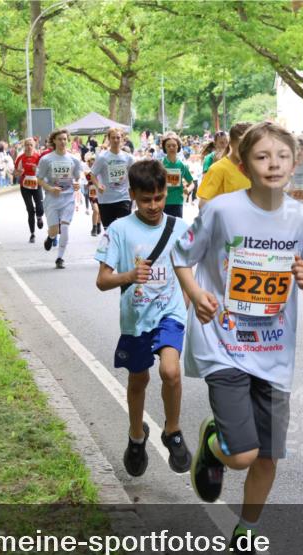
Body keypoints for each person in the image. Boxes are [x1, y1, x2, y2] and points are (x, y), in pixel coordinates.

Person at [174, 122, 303, 555]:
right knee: (242, 456)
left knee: (266, 459)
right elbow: (182, 256)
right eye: (262, 157)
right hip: (222, 341)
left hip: (274, 351)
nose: (273, 165)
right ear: (244, 164)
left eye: (282, 157)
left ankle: (245, 533)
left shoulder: (302, 219)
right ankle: (213, 445)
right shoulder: (223, 211)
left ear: (295, 162)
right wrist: (196, 295)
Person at [95, 159, 192, 477]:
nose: (154, 205)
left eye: (160, 197)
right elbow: (103, 281)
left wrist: (186, 303)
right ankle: (136, 437)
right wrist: (129, 275)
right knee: (139, 379)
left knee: (170, 371)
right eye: (146, 199)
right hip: (136, 318)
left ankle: (172, 430)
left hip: (170, 312)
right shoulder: (119, 230)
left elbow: (188, 271)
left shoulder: (179, 228)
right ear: (132, 194)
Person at [36, 128, 83, 268]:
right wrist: (50, 188)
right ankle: (50, 237)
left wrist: (76, 183)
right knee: (54, 229)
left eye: (65, 139)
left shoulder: (74, 159)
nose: (63, 141)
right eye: (60, 139)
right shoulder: (46, 159)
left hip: (68, 198)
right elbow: (39, 179)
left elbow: (78, 177)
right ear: (54, 141)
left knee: (65, 227)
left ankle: (60, 258)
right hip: (52, 198)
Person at [196, 123, 251, 209]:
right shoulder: (218, 169)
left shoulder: (255, 168)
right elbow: (203, 205)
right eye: (241, 145)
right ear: (231, 143)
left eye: (250, 145)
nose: (245, 149)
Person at [90, 127, 135, 234]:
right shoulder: (102, 157)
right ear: (109, 139)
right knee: (109, 232)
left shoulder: (128, 158)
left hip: (123, 197)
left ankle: (123, 250)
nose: (115, 140)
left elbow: (135, 175)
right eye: (113, 138)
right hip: (106, 199)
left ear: (123, 139)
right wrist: (98, 185)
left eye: (118, 138)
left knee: (124, 229)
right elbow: (92, 174)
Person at [15, 138, 46, 243]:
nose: (29, 147)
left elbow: (43, 172)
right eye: (27, 145)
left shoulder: (38, 157)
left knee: (39, 206)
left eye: (31, 145)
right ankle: (32, 234)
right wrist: (19, 172)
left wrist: (36, 170)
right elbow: (15, 174)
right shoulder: (21, 158)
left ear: (34, 146)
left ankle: (39, 217)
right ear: (24, 146)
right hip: (25, 186)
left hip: (36, 184)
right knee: (30, 210)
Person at [160, 133, 194, 219]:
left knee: (176, 228)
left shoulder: (182, 165)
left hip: (177, 201)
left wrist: (188, 189)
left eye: (174, 145)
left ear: (178, 147)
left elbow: (192, 183)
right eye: (168, 146)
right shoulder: (160, 164)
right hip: (163, 201)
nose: (171, 148)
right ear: (164, 148)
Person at [86, 153, 101, 235]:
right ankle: (94, 228)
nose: (93, 165)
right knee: (96, 210)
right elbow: (88, 179)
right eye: (91, 163)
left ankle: (98, 225)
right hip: (93, 193)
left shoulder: (102, 171)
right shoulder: (88, 173)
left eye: (94, 163)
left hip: (101, 193)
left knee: (101, 212)